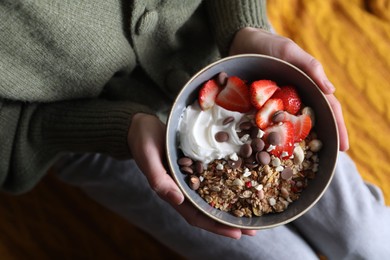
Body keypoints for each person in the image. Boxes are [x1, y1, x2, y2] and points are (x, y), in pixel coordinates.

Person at [0, 0, 388, 259]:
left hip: (226, 65)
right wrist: (121, 129)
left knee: (368, 237)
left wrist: (243, 26)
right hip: (88, 134)